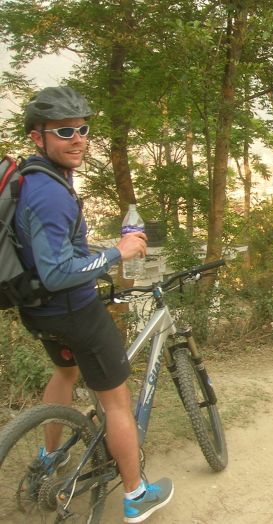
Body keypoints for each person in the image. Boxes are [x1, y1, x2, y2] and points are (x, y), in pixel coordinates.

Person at [16, 86, 173, 522]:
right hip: (74, 312)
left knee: (65, 372)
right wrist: (117, 253)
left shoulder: (34, 179)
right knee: (117, 402)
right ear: (37, 137)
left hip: (39, 312)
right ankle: (136, 494)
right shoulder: (49, 193)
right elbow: (58, 272)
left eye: (83, 129)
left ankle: (50, 458)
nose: (78, 138)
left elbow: (51, 255)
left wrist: (96, 253)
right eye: (64, 130)